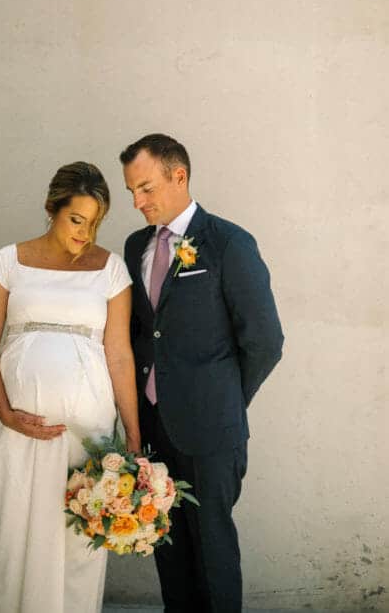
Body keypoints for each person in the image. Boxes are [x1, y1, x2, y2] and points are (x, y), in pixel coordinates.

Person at [120, 134, 284, 613]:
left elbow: (265, 341)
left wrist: (225, 398)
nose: (137, 201)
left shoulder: (229, 243)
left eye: (146, 188)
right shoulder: (136, 248)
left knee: (212, 553)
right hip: (153, 427)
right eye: (131, 190)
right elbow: (139, 333)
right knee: (167, 551)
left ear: (179, 176)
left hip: (211, 428)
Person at [0, 161, 140, 613]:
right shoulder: (9, 261)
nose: (85, 234)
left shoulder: (111, 270)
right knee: (14, 528)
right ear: (52, 209)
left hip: (86, 429)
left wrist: (134, 437)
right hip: (18, 426)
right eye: (76, 220)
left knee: (77, 534)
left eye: (95, 223)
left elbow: (120, 355)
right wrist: (6, 411)